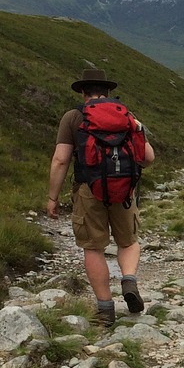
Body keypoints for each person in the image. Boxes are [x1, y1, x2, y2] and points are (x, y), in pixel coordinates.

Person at [47, 68, 156, 326]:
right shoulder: (127, 116)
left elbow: (61, 160)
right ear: (108, 92)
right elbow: (148, 158)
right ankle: (128, 279)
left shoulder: (73, 117)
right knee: (128, 242)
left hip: (88, 189)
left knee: (93, 247)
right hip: (124, 191)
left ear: (83, 92)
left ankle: (105, 310)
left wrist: (53, 198)